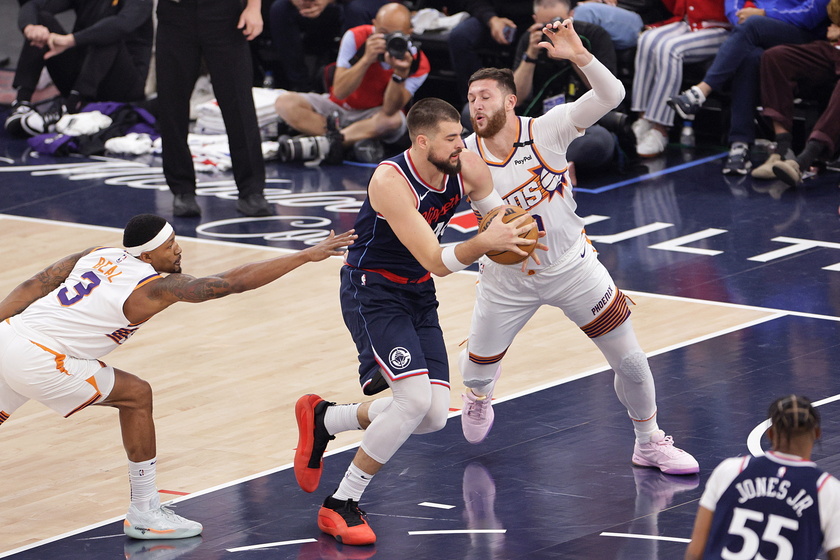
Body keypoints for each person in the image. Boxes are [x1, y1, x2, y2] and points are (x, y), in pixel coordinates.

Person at [0, 214, 356, 541]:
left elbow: (37, 283)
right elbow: (230, 283)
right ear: (147, 254)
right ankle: (144, 511)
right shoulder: (155, 288)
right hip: (44, 358)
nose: (178, 248)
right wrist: (304, 256)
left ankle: (146, 509)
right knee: (136, 395)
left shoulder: (96, 254)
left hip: (9, 336)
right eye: (169, 245)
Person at [292, 97, 542, 546]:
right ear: (422, 140)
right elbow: (437, 259)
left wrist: (514, 234)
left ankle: (326, 419)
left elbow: (499, 219)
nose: (461, 145)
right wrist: (486, 242)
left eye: (461, 136)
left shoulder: (466, 166)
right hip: (373, 290)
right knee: (410, 401)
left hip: (417, 293)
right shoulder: (391, 180)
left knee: (431, 417)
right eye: (451, 138)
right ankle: (340, 503)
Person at [460, 19, 699, 476]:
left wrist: (579, 57)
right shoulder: (465, 155)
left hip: (572, 266)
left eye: (485, 96)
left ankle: (648, 442)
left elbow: (612, 97)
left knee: (630, 358)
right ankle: (478, 395)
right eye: (471, 99)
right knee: (474, 374)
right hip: (505, 281)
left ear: (510, 100)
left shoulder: (547, 129)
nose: (476, 105)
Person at [668, 0, 830, 175]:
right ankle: (740, 145)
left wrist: (764, 15)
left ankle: (700, 91)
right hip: (758, 28)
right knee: (749, 56)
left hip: (804, 34)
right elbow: (733, 8)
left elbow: (810, 15)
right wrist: (746, 17)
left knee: (753, 26)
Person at [684, 395, 840, 560]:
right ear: (817, 433)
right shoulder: (827, 490)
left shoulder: (731, 470)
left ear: (770, 433)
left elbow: (695, 552)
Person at [155, 0, 273, 218]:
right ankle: (182, 190)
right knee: (172, 105)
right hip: (175, 13)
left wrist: (254, 7)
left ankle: (251, 191)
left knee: (239, 103)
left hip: (224, 12)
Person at [273, 3, 430, 165]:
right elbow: (339, 92)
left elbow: (390, 110)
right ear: (374, 24)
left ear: (409, 33)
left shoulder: (418, 63)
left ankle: (327, 143)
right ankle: (345, 142)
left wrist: (399, 75)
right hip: (340, 108)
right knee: (285, 103)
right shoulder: (355, 36)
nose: (388, 41)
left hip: (374, 116)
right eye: (383, 33)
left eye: (396, 35)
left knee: (394, 120)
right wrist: (366, 59)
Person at [512, 0, 634, 181]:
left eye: (556, 25)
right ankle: (547, 164)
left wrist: (574, 55)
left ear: (571, 16)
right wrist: (529, 56)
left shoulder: (594, 35)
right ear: (535, 19)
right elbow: (516, 98)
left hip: (582, 124)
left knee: (600, 141)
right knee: (473, 111)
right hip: (540, 123)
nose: (551, 32)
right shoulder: (530, 38)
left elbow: (605, 93)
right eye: (545, 27)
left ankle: (532, 163)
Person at [3, 0, 153, 138]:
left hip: (123, 86)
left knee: (108, 33)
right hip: (82, 77)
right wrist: (30, 27)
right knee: (41, 21)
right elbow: (34, 4)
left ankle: (72, 107)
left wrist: (71, 40)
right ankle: (22, 104)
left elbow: (122, 24)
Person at [751, 0, 840, 187]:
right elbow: (831, 11)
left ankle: (803, 162)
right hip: (833, 48)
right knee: (775, 57)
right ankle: (782, 150)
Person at [630, 0, 731, 157]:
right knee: (647, 40)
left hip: (721, 27)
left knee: (670, 48)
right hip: (688, 22)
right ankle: (643, 120)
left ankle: (660, 128)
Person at [268, 0, 389, 92]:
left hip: (352, 4)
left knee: (355, 10)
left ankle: (352, 85)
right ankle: (301, 87)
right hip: (322, 9)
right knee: (280, 9)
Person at [447, 0, 535, 101]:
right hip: (492, 15)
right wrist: (491, 19)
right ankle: (475, 100)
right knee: (460, 37)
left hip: (533, 17)